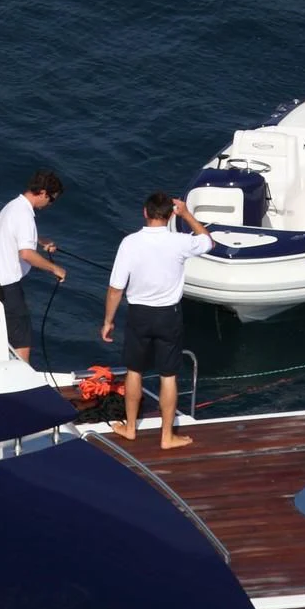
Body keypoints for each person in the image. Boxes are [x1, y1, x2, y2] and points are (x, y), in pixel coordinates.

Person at [99, 192, 213, 449]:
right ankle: (166, 436)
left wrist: (108, 320)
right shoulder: (180, 242)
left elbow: (116, 288)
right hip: (168, 315)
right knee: (168, 375)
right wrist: (187, 215)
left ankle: (130, 429)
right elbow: (208, 242)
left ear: (145, 212)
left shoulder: (129, 243)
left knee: (134, 371)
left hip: (139, 314)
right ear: (170, 214)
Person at [0, 169, 67, 363]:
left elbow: (17, 236)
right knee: (23, 342)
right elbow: (26, 254)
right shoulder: (25, 215)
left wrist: (41, 241)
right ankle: (21, 386)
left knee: (4, 334)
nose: (50, 204)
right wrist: (55, 269)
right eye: (51, 200)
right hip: (8, 287)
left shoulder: (14, 205)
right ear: (44, 193)